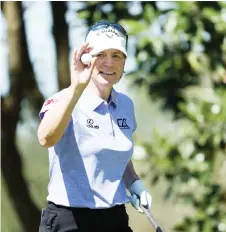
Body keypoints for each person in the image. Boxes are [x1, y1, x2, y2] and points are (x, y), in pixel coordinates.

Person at [37, 21, 152, 232]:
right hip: (69, 220)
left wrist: (133, 182)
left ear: (124, 62)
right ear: (87, 59)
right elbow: (46, 138)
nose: (109, 62)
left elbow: (116, 152)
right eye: (101, 55)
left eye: (116, 55)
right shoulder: (64, 99)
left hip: (114, 217)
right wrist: (75, 89)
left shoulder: (125, 105)